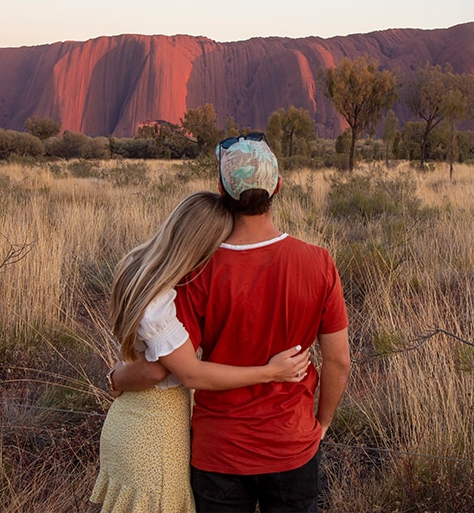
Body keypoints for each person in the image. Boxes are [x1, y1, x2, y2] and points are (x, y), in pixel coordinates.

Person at [113, 133, 351, 512]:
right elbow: (339, 361)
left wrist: (117, 377)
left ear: (221, 190)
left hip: (219, 451)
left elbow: (170, 367)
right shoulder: (318, 262)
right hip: (292, 444)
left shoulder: (195, 270)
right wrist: (320, 426)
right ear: (278, 186)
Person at [90, 191, 311, 513]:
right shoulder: (160, 301)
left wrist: (115, 377)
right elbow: (172, 371)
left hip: (131, 419)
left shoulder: (135, 264)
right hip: (155, 431)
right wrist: (271, 372)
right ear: (202, 245)